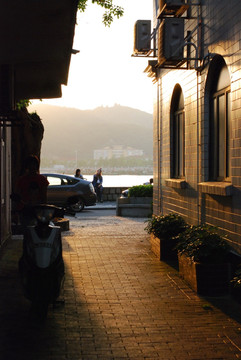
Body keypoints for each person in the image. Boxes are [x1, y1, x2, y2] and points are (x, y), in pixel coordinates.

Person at [14, 155, 49, 226]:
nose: (32, 167)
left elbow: (44, 196)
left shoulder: (42, 179)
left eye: (34, 165)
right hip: (25, 209)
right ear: (27, 166)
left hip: (38, 209)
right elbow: (18, 195)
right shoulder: (21, 180)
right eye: (30, 165)